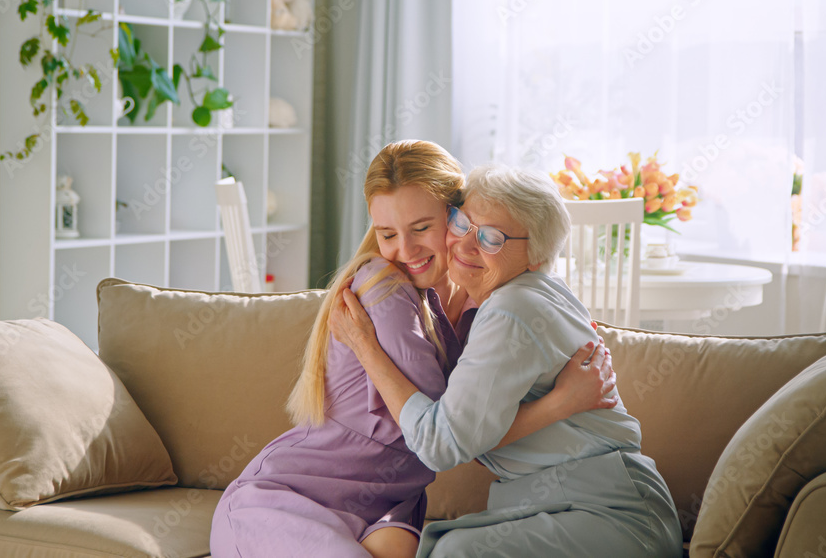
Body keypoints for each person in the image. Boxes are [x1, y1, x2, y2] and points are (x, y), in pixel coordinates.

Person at [209, 141, 617, 558]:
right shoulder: (383, 285)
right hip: (290, 496)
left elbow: (468, 427)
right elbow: (444, 431)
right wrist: (559, 404)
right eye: (387, 234)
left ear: (457, 216)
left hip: (387, 509)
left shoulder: (486, 306)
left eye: (422, 228)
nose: (404, 251)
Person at [330, 164, 684, 557]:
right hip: (579, 506)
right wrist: (559, 404)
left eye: (492, 238)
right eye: (462, 223)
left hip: (611, 516)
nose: (465, 245)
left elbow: (440, 444)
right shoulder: (518, 296)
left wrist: (365, 346)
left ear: (537, 255)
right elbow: (472, 436)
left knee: (453, 553)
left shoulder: (511, 309)